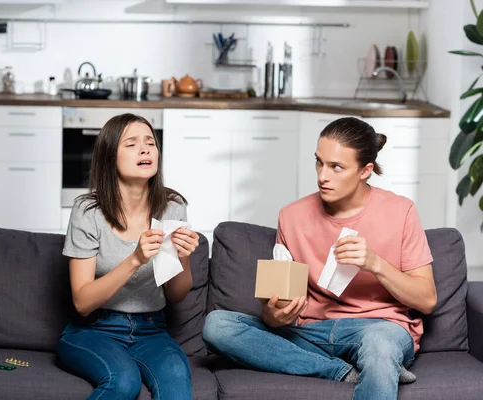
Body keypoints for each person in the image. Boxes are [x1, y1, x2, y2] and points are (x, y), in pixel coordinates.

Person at [202, 117, 437, 400]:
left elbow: (426, 300)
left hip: (380, 329)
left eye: (336, 167)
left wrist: (375, 263)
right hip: (311, 333)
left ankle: (378, 361)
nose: (322, 176)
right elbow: (275, 310)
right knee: (217, 325)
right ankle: (343, 371)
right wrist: (274, 315)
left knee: (380, 346)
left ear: (365, 170)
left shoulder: (401, 211)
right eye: (319, 162)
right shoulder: (292, 216)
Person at [56, 113, 199, 400]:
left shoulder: (173, 207)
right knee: (123, 381)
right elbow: (82, 303)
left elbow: (176, 295)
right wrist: (135, 259)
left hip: (152, 329)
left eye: (150, 142)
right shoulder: (87, 211)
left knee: (177, 381)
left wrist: (183, 258)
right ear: (110, 157)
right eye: (132, 144)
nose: (145, 149)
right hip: (94, 330)